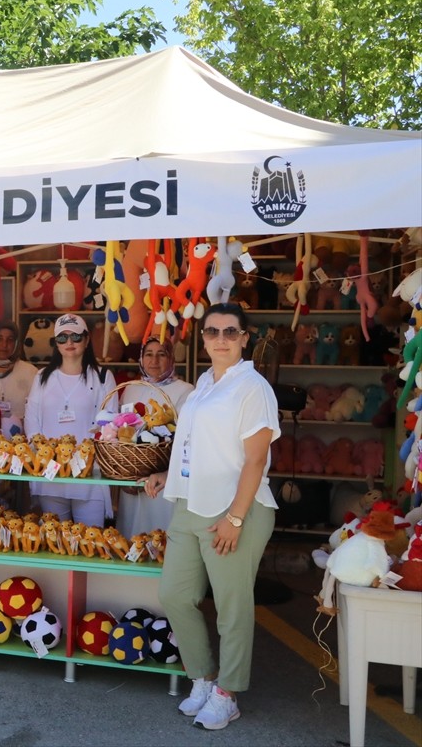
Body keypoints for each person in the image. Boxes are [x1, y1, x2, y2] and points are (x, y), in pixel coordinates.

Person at [146, 302, 279, 731]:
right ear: (202, 338)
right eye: (212, 331)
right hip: (190, 502)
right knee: (174, 594)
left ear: (244, 338)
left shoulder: (252, 387)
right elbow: (194, 443)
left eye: (229, 331)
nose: (220, 339)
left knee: (231, 606)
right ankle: (202, 677)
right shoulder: (205, 382)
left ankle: (228, 692)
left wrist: (236, 518)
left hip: (234, 507)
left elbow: (255, 460)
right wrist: (168, 474)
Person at [23, 313, 116, 526]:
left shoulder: (102, 377)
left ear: (87, 339)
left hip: (89, 473)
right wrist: (42, 455)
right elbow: (32, 420)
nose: (70, 343)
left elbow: (110, 424)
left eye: (75, 336)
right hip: (52, 472)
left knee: (92, 541)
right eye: (62, 338)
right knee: (57, 541)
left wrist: (90, 455)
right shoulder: (42, 376)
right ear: (56, 343)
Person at [115, 336, 195, 538]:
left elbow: (184, 437)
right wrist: (126, 474)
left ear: (171, 358)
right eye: (148, 355)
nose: (154, 361)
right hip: (132, 479)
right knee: (132, 535)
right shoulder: (131, 388)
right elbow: (119, 431)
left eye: (161, 354)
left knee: (161, 535)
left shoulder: (185, 390)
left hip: (163, 476)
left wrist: (161, 471)